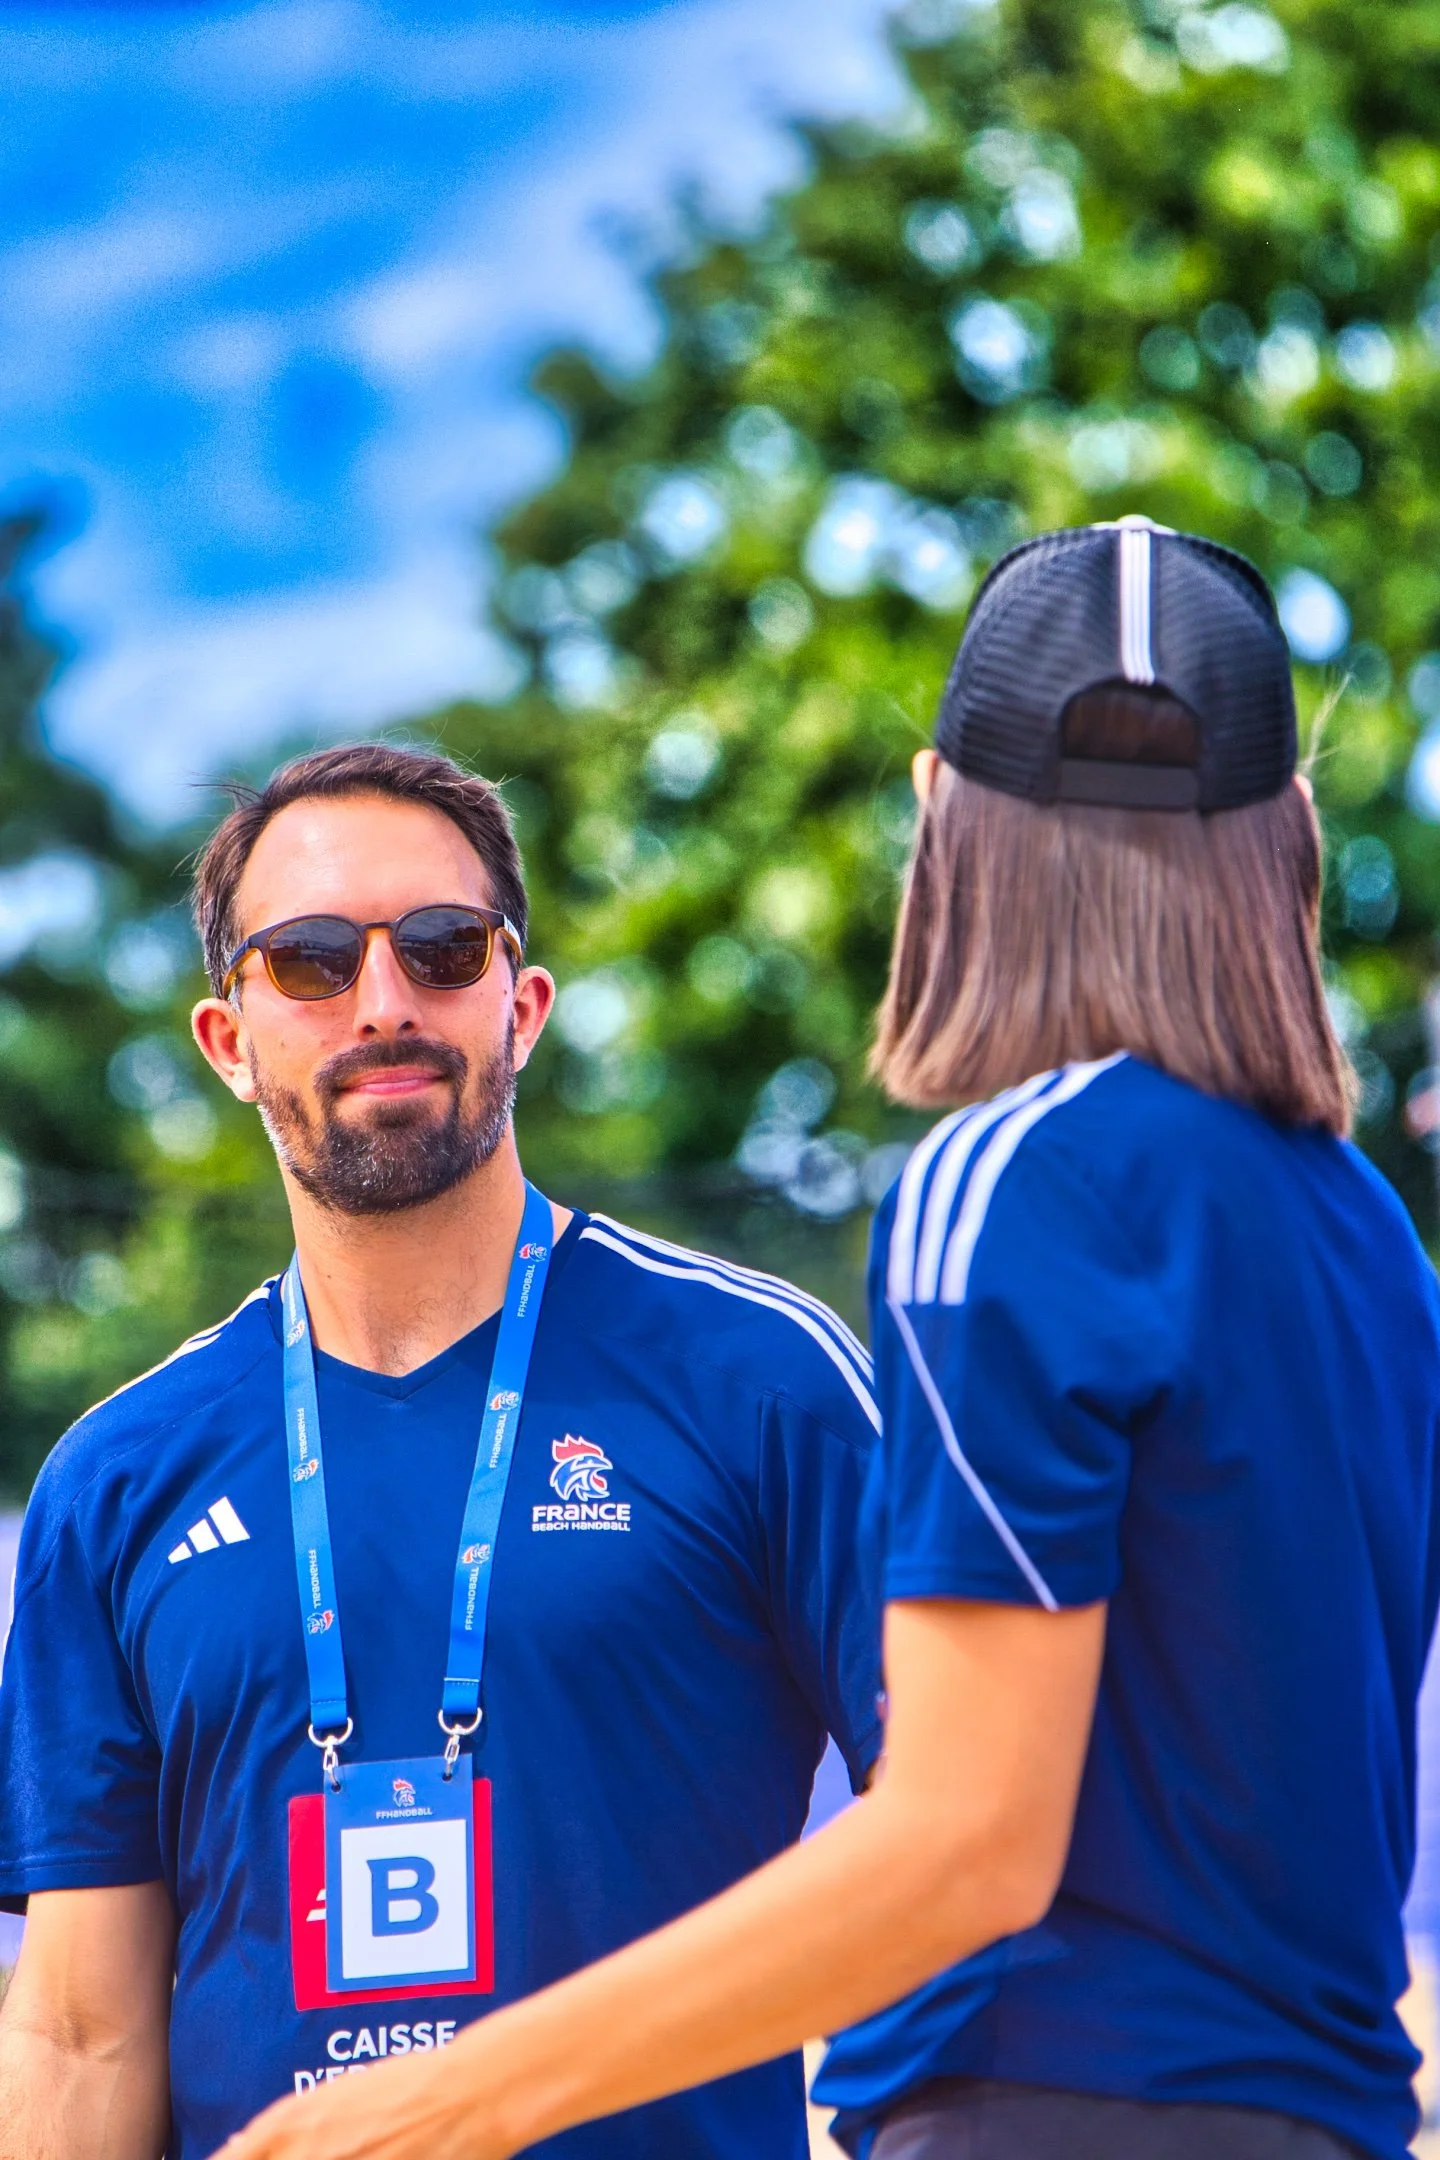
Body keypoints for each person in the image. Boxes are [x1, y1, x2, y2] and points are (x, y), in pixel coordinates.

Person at [215, 521, 1440, 2160]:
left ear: (947, 813)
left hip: (1040, 2111)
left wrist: (440, 2103)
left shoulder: (1010, 1182)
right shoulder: (1369, 1235)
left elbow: (963, 1843)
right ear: (1288, 831)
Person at [0, 742, 884, 2160]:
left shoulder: (759, 1383)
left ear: (521, 1005)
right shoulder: (117, 1479)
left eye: (442, 947)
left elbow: (964, 1838)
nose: (385, 1003)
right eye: (307, 962)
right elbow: (80, 2028)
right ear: (228, 1039)